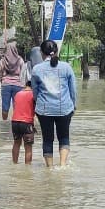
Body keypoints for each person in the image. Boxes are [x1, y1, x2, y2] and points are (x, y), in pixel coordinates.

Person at [30, 39, 77, 168]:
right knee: (64, 137)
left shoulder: (36, 69)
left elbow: (35, 92)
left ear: (41, 53)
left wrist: (36, 104)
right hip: (65, 108)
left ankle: (50, 169)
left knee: (47, 139)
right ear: (56, 51)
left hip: (44, 110)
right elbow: (73, 89)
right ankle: (62, 166)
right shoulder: (66, 67)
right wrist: (73, 105)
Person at [10, 80, 36, 164]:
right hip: (26, 122)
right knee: (28, 146)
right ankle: (28, 168)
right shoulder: (33, 94)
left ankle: (14, 163)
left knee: (16, 143)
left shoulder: (18, 94)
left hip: (15, 122)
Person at [0, 41, 24, 121]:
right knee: (17, 106)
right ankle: (15, 122)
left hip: (6, 84)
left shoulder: (3, 60)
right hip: (18, 85)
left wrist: (2, 80)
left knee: (5, 106)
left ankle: (4, 123)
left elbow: (1, 73)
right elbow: (23, 74)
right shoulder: (20, 60)